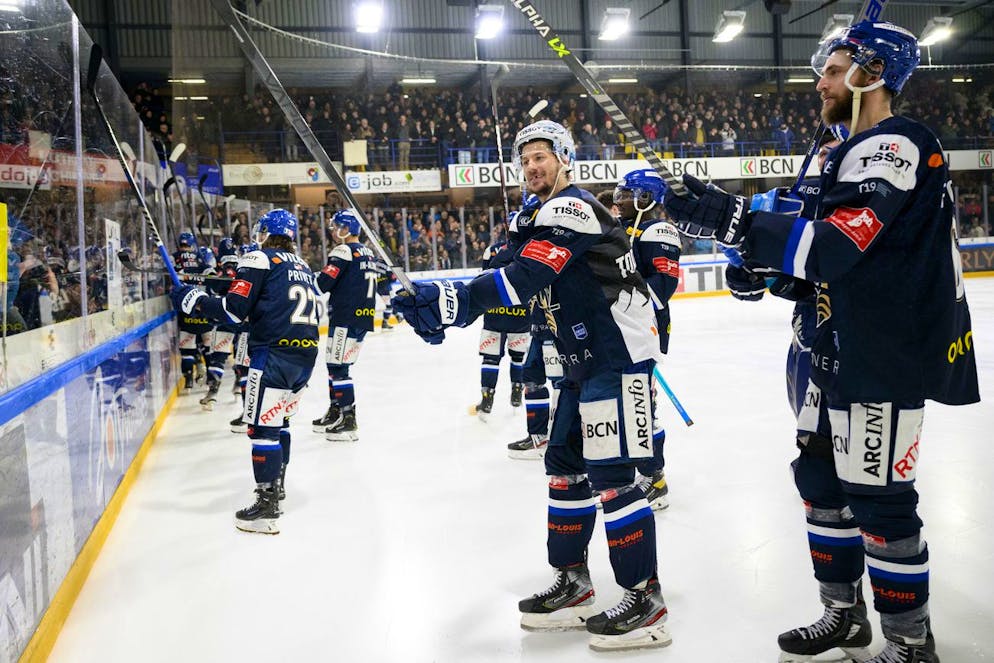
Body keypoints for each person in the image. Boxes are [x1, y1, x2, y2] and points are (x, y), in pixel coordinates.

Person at [663, 22, 980, 662]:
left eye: (833, 71)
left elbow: (834, 248)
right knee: (821, 486)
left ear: (872, 74)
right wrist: (762, 267)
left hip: (881, 358)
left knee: (880, 502)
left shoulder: (895, 144)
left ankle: (910, 643)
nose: (820, 84)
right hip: (830, 351)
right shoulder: (843, 153)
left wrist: (730, 218)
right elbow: (823, 269)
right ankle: (844, 615)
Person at [393, 120, 670, 652]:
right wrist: (441, 302)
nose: (531, 167)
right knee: (563, 467)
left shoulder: (574, 207)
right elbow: (504, 275)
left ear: (565, 159)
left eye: (541, 156)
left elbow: (525, 278)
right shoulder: (537, 218)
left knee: (613, 478)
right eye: (524, 160)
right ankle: (574, 585)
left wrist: (453, 303)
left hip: (617, 358)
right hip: (581, 362)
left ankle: (646, 600)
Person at [170, 209, 320, 534]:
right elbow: (267, 309)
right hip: (305, 356)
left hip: (273, 356)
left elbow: (233, 312)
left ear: (265, 233)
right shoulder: (302, 265)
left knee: (262, 430)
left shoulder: (259, 258)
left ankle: (267, 506)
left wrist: (194, 300)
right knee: (281, 422)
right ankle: (277, 487)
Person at [613, 169, 682, 511]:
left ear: (646, 198)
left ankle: (655, 479)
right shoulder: (622, 228)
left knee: (640, 406)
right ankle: (632, 473)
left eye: (626, 194)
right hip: (620, 329)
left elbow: (662, 288)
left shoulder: (658, 230)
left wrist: (617, 299)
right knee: (621, 404)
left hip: (642, 330)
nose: (619, 199)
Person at [310, 209, 378, 442]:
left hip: (344, 317)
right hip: (362, 317)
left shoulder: (343, 250)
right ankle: (337, 411)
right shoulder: (368, 252)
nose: (333, 231)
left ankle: (348, 419)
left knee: (338, 368)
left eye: (337, 226)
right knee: (337, 365)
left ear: (347, 228)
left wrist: (309, 277)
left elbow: (322, 285)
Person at [472, 224, 531, 420]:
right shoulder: (531, 248)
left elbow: (484, 277)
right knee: (518, 358)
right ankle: (517, 392)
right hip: (521, 312)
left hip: (495, 310)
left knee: (490, 359)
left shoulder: (492, 250)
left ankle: (487, 399)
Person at [171, 232, 212, 393]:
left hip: (186, 314)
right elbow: (213, 278)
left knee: (188, 349)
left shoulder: (175, 258)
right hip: (204, 313)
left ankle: (189, 377)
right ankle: (210, 378)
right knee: (208, 348)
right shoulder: (201, 258)